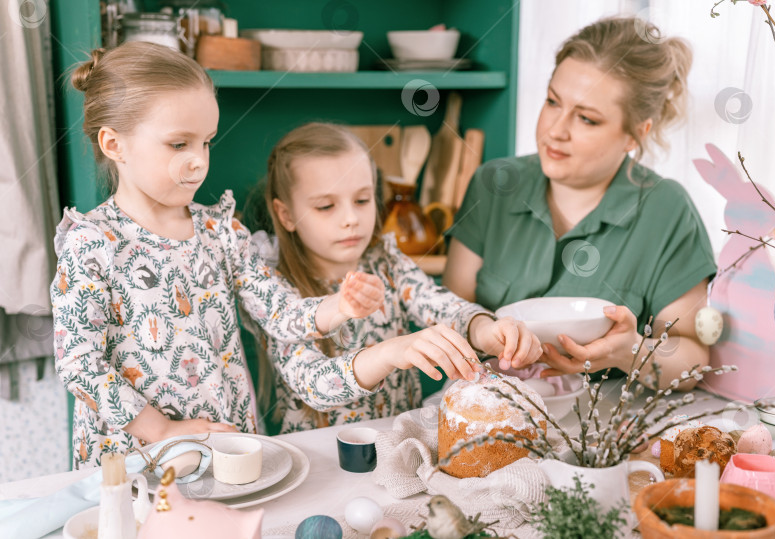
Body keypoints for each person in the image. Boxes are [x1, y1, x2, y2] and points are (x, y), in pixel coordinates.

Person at [51, 42, 384, 469]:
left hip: (227, 445)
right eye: (178, 144)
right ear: (115, 145)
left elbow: (279, 313)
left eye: (206, 143)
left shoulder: (221, 230)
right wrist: (163, 431)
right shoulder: (93, 242)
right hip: (137, 459)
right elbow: (79, 362)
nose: (198, 162)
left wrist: (339, 307)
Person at [443, 17, 716, 390]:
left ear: (636, 134)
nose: (556, 130)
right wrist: (482, 334)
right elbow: (448, 313)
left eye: (587, 119)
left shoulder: (666, 210)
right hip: (486, 416)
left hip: (602, 433)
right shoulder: (494, 184)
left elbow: (693, 359)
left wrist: (630, 352)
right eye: (553, 102)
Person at [252, 122, 542, 432]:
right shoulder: (278, 292)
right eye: (326, 206)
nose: (351, 219)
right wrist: (392, 352)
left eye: (362, 200)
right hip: (322, 458)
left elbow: (441, 305)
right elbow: (315, 384)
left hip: (399, 444)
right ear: (286, 215)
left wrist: (485, 330)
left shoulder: (387, 262)